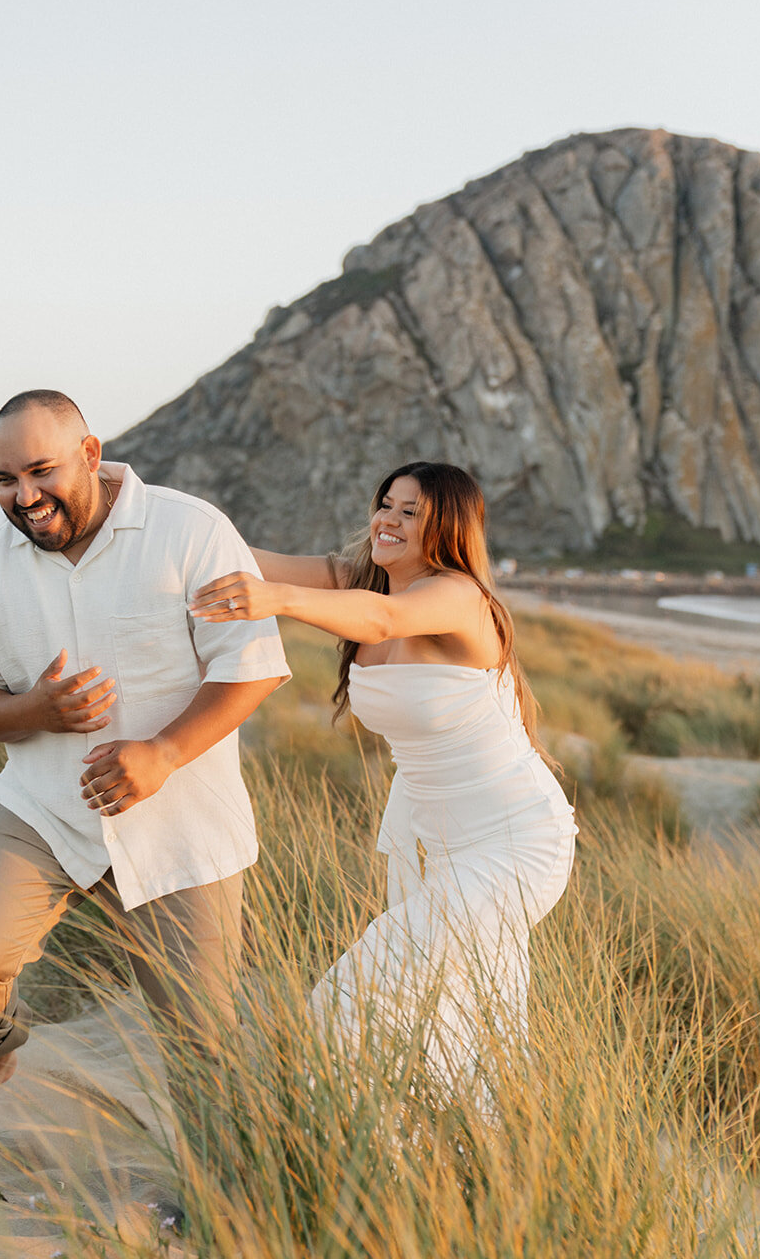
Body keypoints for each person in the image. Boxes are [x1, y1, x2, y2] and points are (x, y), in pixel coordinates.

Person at [0, 390, 289, 1145]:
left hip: (180, 828)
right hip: (43, 808)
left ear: (89, 453)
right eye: (4, 479)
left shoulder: (190, 531)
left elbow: (251, 666)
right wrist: (36, 712)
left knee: (200, 1038)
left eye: (40, 471)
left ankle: (214, 1202)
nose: (24, 497)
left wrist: (164, 753)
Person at [189, 461, 577, 1085]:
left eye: (410, 512)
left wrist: (281, 602)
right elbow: (244, 557)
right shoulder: (362, 577)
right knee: (451, 1015)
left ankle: (357, 1153)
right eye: (386, 505)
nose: (388, 521)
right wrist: (152, 514)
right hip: (437, 846)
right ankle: (465, 1163)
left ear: (445, 527)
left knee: (353, 1001)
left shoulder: (460, 597)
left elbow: (380, 621)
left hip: (516, 841)